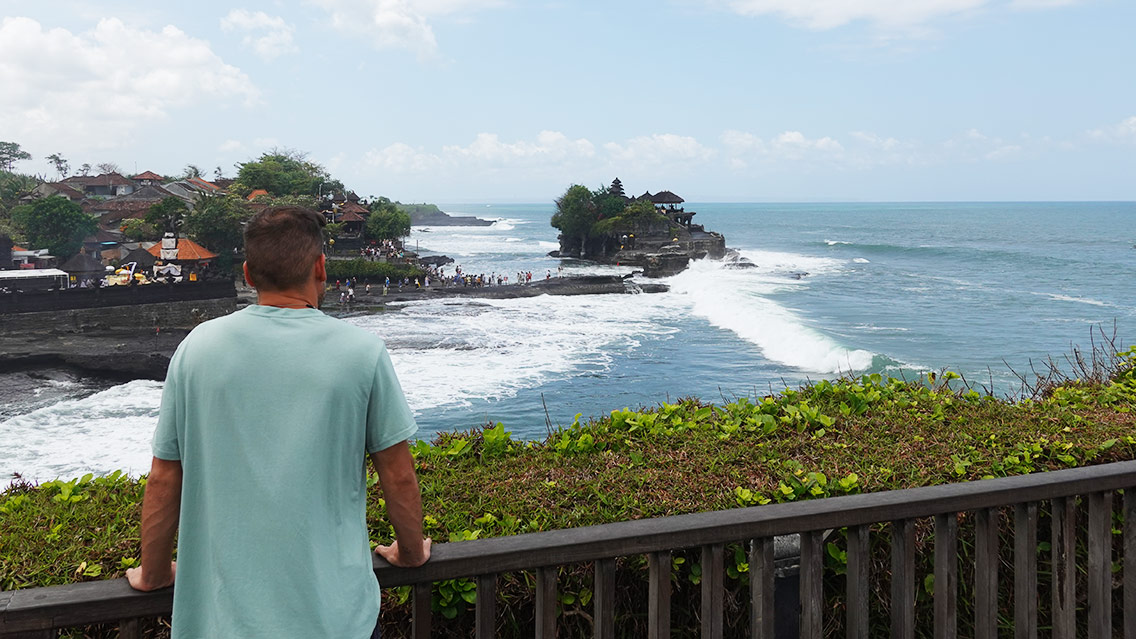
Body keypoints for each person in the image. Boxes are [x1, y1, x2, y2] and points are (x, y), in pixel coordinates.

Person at [127, 206, 431, 639]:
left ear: (248, 274)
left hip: (217, 624)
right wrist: (412, 553)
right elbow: (398, 475)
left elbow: (164, 476)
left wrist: (154, 573)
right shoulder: (361, 352)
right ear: (321, 267)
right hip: (335, 619)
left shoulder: (198, 349)